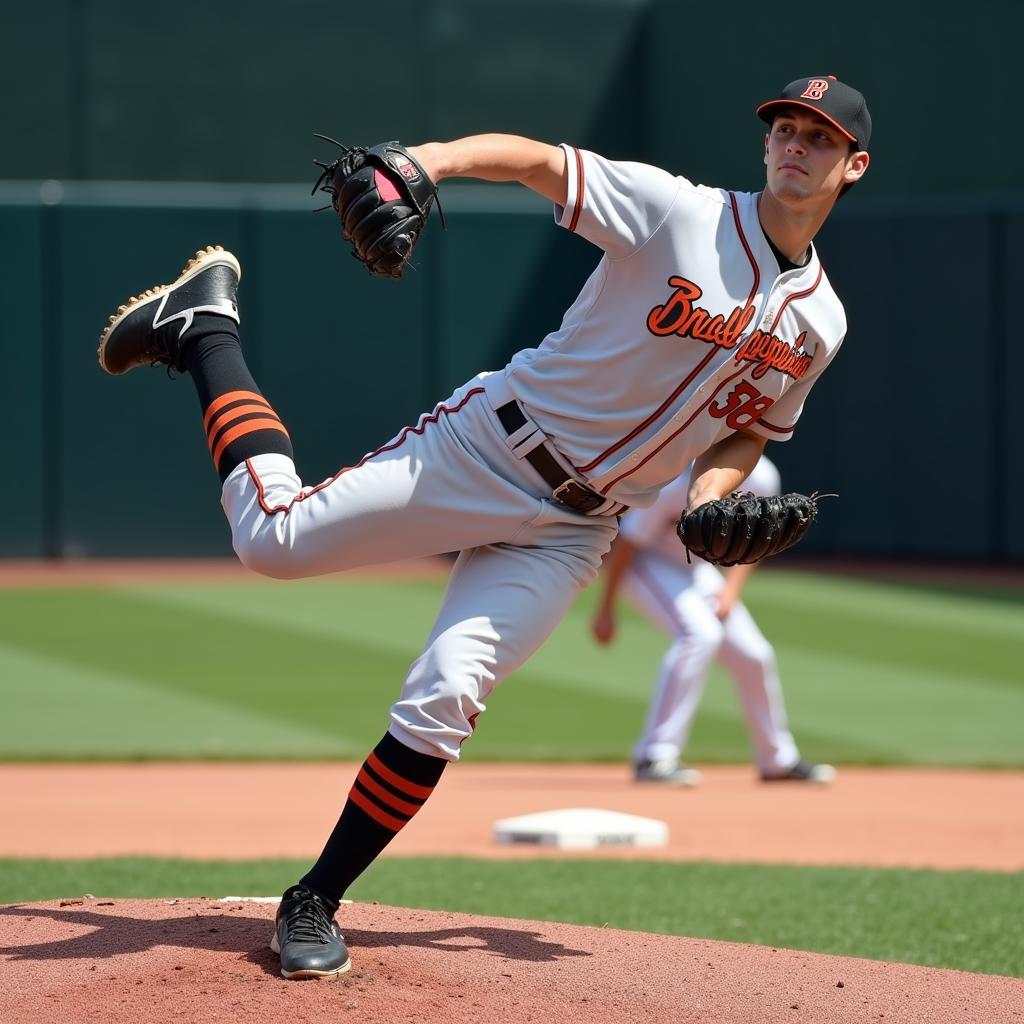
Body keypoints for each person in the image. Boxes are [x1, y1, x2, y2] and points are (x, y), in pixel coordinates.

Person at [96, 75, 870, 978]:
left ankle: (315, 897)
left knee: (449, 693)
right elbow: (540, 163)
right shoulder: (679, 213)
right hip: (490, 447)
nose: (792, 143)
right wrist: (425, 164)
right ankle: (204, 330)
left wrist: (707, 505)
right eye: (783, 126)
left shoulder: (823, 321)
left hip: (578, 528)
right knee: (273, 543)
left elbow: (744, 428)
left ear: (852, 165)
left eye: (816, 137)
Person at [591, 453, 836, 786]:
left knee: (754, 655)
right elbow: (629, 543)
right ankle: (654, 755)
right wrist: (606, 609)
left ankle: (777, 760)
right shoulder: (676, 479)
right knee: (699, 635)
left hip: (696, 569)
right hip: (646, 563)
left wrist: (731, 590)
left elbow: (758, 539)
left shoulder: (762, 475)